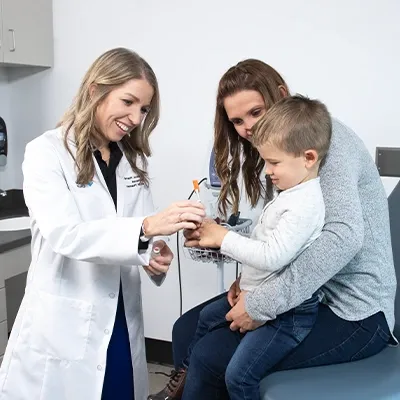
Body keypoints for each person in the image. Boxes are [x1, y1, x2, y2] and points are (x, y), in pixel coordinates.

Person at [149, 59, 397, 400]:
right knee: (186, 329)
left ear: (280, 95)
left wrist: (262, 302)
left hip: (352, 312)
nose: (248, 128)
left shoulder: (328, 142)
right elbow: (289, 238)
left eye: (255, 112)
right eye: (237, 120)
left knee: (210, 358)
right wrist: (248, 282)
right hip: (305, 292)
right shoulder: (281, 146)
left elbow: (343, 238)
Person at [0, 47, 205, 400]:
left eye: (143, 109)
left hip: (121, 319)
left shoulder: (131, 160)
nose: (135, 117)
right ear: (95, 90)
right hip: (66, 320)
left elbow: (142, 232)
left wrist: (155, 255)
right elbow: (66, 234)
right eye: (127, 102)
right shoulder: (46, 152)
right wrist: (147, 229)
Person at [168, 95, 332, 400]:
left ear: (308, 158)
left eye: (274, 162)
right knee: (203, 320)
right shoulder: (289, 192)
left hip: (288, 313)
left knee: (240, 375)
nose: (268, 170)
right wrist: (242, 281)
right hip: (255, 291)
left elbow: (272, 256)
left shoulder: (305, 205)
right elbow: (264, 244)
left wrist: (223, 239)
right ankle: (182, 386)